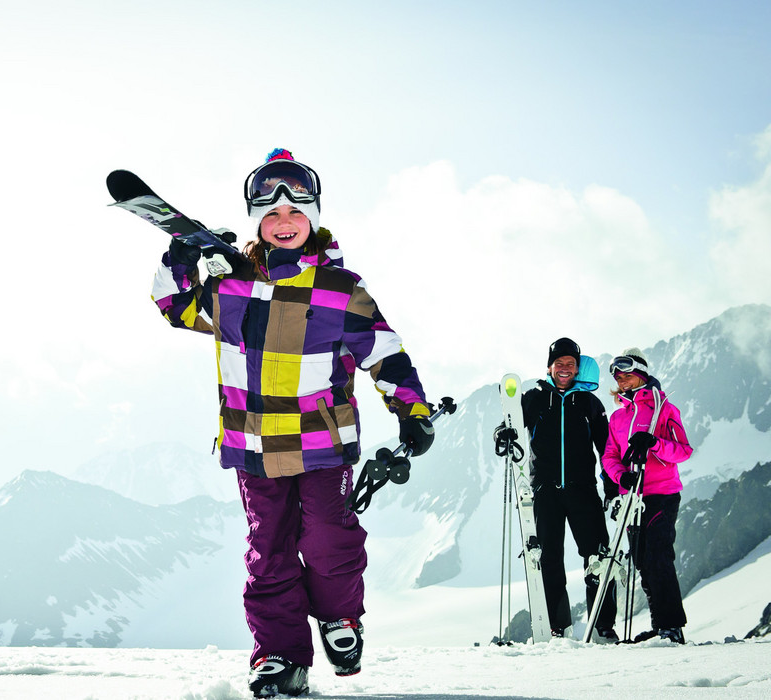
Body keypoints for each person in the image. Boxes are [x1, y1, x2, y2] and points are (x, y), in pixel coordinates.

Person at [152, 149, 433, 697]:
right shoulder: (226, 286)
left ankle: (339, 618)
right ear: (257, 222)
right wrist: (181, 259)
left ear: (314, 219)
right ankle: (280, 655)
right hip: (254, 444)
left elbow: (383, 351)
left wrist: (411, 407)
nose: (284, 222)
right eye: (272, 214)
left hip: (322, 442)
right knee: (270, 552)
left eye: (296, 212)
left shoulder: (340, 288)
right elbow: (173, 305)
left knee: (330, 538)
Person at [495, 337, 618, 640]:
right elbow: (509, 423)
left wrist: (612, 487)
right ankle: (557, 627)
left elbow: (607, 448)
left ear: (577, 368)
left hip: (583, 490)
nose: (565, 368)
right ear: (549, 367)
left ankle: (603, 626)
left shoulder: (589, 403)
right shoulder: (534, 398)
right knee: (549, 559)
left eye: (570, 364)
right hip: (545, 490)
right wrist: (502, 435)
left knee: (599, 556)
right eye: (559, 363)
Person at [601, 347, 692, 644]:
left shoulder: (664, 409)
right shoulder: (618, 417)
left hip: (661, 493)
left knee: (658, 556)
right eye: (617, 376)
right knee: (642, 560)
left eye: (626, 373)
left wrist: (653, 443)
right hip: (632, 497)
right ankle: (660, 626)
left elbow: (683, 450)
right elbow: (609, 456)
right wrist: (621, 476)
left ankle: (671, 626)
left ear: (640, 372)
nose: (621, 379)